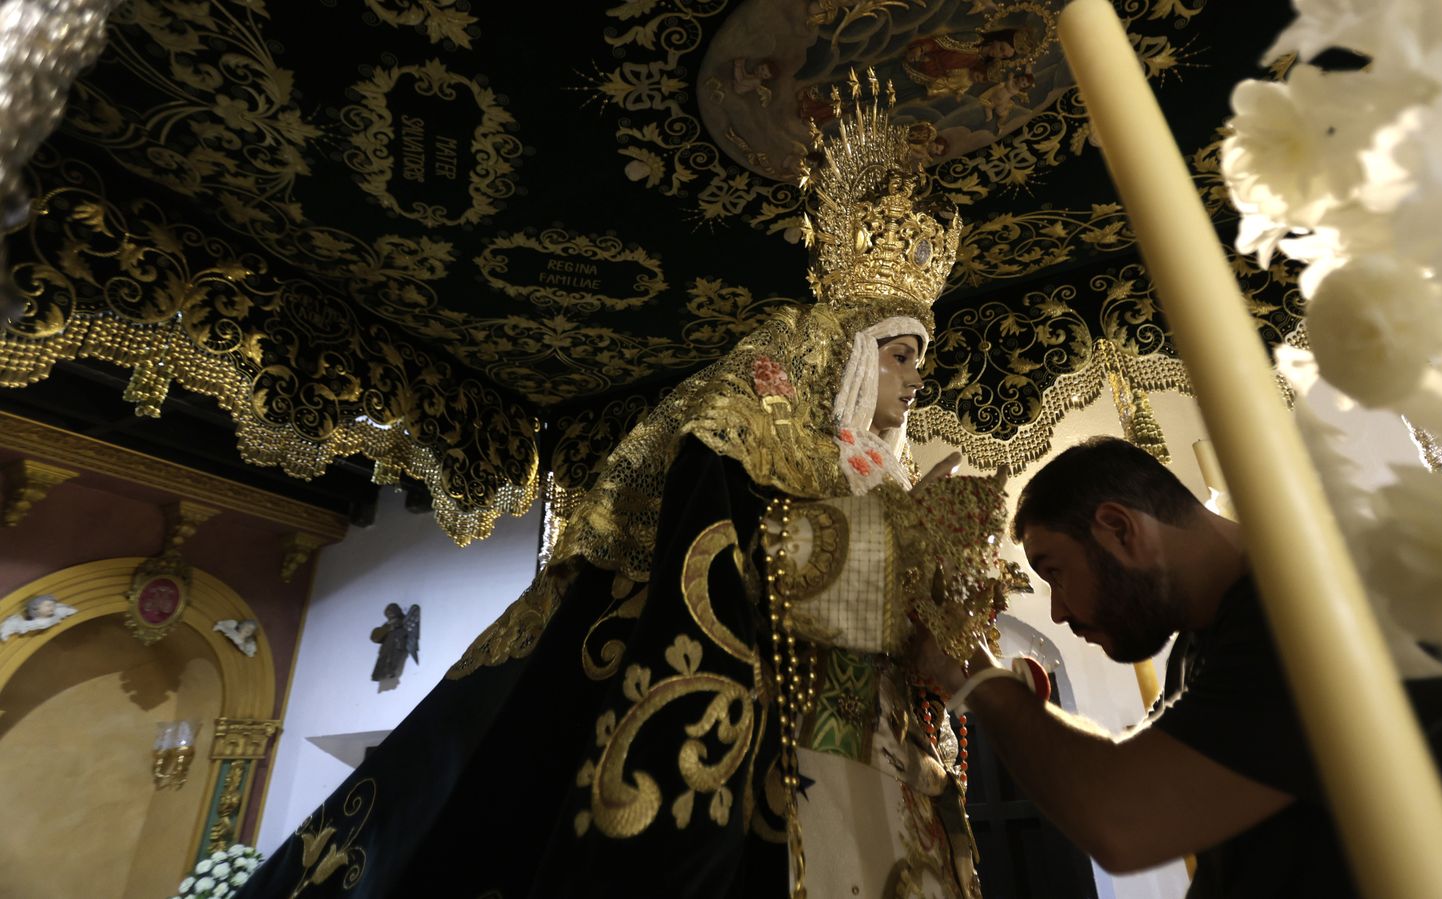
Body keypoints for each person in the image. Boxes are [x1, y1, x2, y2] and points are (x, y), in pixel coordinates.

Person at [235, 73, 1007, 899]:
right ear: (847, 354)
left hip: (870, 762)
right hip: (776, 762)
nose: (916, 379)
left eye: (922, 358)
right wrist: (906, 549)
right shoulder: (753, 417)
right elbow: (735, 553)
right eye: (900, 354)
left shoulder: (882, 483)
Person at [915, 435, 1442, 898]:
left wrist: (974, 674)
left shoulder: (1315, 606)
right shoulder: (1210, 641)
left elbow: (1126, 818)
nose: (1057, 613)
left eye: (1054, 572)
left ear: (1120, 528)